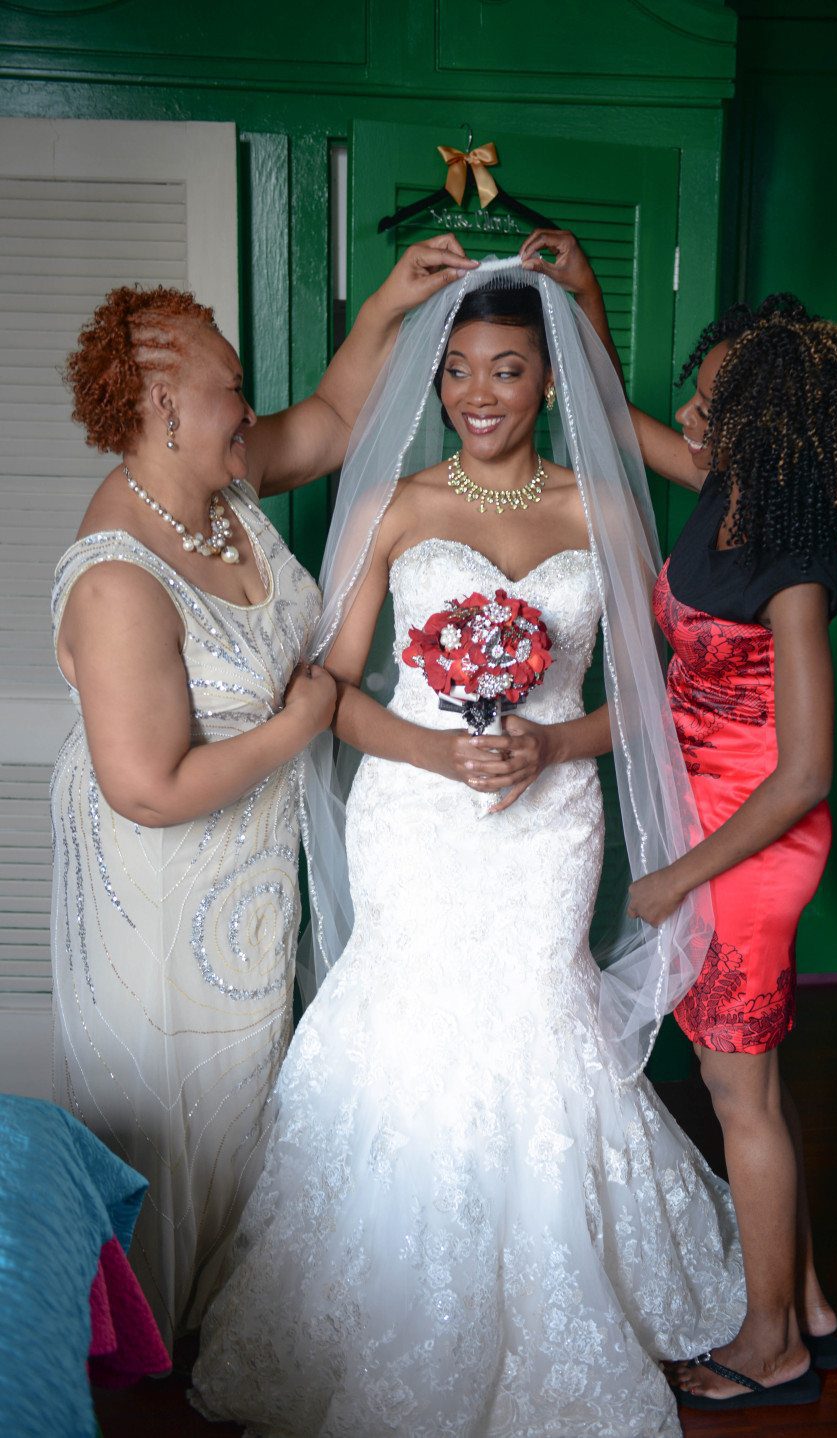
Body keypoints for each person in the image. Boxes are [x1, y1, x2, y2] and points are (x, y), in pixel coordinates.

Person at [190, 260, 746, 1436]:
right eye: (457, 372)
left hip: (551, 818)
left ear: (550, 382)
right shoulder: (397, 506)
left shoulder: (604, 509)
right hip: (415, 813)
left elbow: (649, 701)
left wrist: (552, 745)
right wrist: (442, 754)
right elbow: (333, 691)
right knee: (413, 1015)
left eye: (506, 370)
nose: (478, 395)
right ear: (435, 380)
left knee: (537, 1015)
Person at [50, 236, 477, 1350]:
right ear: (162, 406)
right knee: (180, 1116)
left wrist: (389, 302)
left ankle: (232, 1329)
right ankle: (150, 1350)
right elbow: (146, 788)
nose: (248, 405)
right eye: (229, 386)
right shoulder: (118, 576)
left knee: (248, 1094)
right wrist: (300, 725)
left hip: (247, 873)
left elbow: (330, 421)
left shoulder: (221, 487)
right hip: (161, 892)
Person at [520, 229, 837, 1410]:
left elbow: (806, 772)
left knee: (742, 1100)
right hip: (704, 820)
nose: (689, 412)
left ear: (766, 428)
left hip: (750, 846)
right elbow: (616, 418)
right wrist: (582, 293)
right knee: (758, 1088)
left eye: (711, 404)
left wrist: (678, 876)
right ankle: (809, 1304)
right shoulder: (729, 486)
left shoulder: (795, 565)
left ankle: (770, 1346)